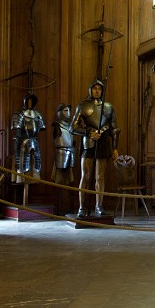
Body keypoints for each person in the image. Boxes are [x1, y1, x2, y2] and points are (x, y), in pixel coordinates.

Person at [72, 80, 120, 218]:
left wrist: (115, 148)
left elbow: (115, 129)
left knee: (100, 177)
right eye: (95, 88)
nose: (97, 91)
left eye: (99, 88)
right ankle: (82, 208)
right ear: (90, 90)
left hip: (104, 142)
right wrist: (88, 133)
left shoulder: (109, 107)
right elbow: (73, 127)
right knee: (85, 176)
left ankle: (99, 206)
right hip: (88, 142)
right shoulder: (82, 106)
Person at [11, 93, 46, 178]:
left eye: (32, 101)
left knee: (36, 166)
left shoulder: (38, 114)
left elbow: (42, 126)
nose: (30, 102)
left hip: (34, 141)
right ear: (25, 101)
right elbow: (15, 126)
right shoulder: (19, 114)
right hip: (22, 142)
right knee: (22, 168)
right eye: (29, 100)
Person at [51, 103, 76, 188]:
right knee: (59, 180)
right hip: (61, 154)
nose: (68, 112)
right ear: (60, 112)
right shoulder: (57, 126)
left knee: (69, 181)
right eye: (66, 110)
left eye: (69, 110)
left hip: (70, 153)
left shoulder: (70, 126)